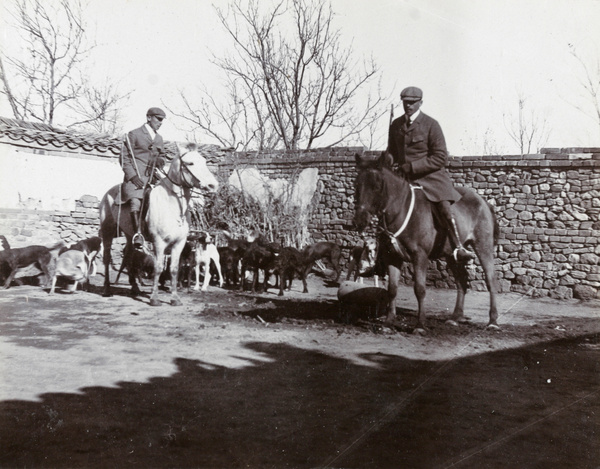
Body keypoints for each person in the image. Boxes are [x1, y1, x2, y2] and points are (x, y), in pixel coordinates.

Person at [387, 86, 475, 262]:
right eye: (405, 102)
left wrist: (412, 167)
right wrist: (388, 161)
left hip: (432, 178)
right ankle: (379, 255)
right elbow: (392, 153)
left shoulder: (431, 124)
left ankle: (458, 247)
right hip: (405, 179)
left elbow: (440, 157)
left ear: (420, 102)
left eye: (412, 103)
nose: (408, 106)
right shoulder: (396, 125)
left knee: (444, 207)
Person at [120, 107, 167, 248]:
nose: (160, 122)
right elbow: (124, 158)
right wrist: (132, 176)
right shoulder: (133, 134)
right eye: (158, 119)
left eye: (162, 120)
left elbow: (162, 156)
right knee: (136, 200)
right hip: (135, 178)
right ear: (148, 118)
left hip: (152, 178)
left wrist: (160, 161)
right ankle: (138, 234)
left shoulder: (159, 138)